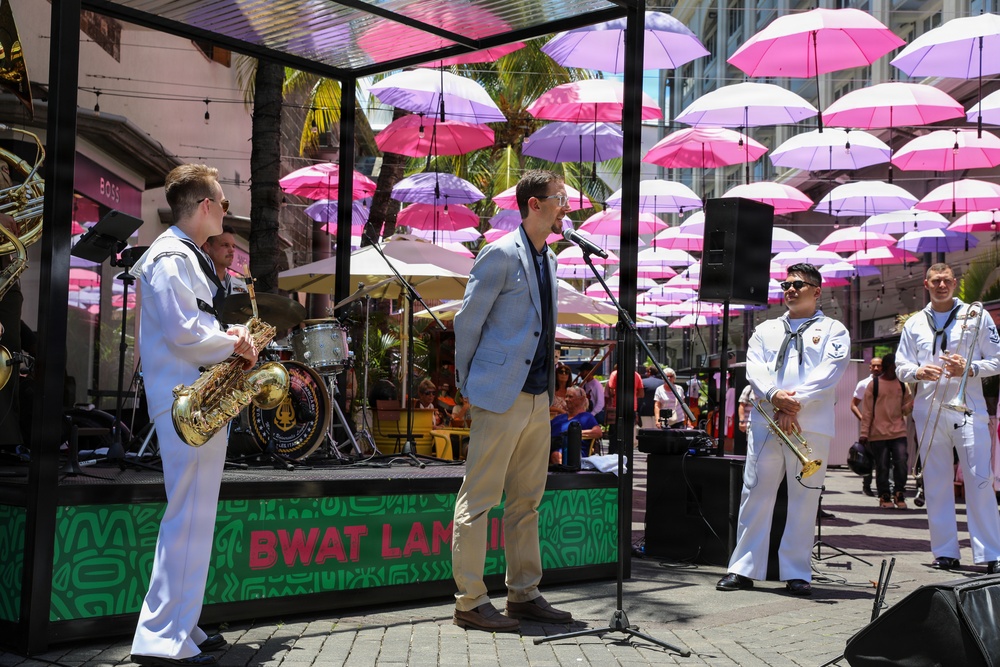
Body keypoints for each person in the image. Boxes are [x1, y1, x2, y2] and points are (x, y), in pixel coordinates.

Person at [130, 164, 258, 666]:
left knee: (193, 518)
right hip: (186, 402)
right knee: (188, 518)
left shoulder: (181, 254)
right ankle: (164, 636)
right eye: (223, 203)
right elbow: (185, 332)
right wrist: (236, 342)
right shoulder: (171, 256)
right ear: (206, 206)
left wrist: (229, 338)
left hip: (193, 400)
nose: (226, 211)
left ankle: (180, 624)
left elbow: (190, 328)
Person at [452, 169, 571, 633]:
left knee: (526, 502)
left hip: (537, 396)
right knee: (480, 499)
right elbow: (468, 322)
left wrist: (551, 391)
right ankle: (470, 600)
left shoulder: (551, 259)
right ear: (534, 204)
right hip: (498, 392)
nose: (565, 206)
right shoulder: (500, 253)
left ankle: (524, 594)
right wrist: (468, 383)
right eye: (559, 198)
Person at [717, 264, 850, 597]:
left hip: (811, 425)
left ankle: (797, 571)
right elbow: (755, 368)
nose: (790, 289)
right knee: (755, 494)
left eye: (798, 284)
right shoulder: (766, 329)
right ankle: (742, 568)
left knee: (804, 499)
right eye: (786, 284)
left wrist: (794, 403)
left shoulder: (834, 330)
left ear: (816, 291)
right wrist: (775, 396)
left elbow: (829, 372)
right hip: (767, 421)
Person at [896, 262, 1000, 573]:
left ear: (954, 283)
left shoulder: (976, 315)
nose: (941, 286)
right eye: (935, 281)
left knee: (980, 480)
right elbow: (901, 365)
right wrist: (917, 372)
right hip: (928, 410)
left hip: (968, 407)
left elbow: (997, 359)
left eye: (946, 281)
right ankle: (945, 552)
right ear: (926, 285)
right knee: (935, 483)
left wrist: (970, 368)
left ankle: (991, 553)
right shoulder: (915, 323)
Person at [859, 352, 913, 510]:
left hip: (899, 432)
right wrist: (864, 433)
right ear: (889, 366)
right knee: (882, 466)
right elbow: (867, 412)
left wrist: (912, 405)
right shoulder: (874, 385)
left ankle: (899, 493)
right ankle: (884, 495)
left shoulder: (903, 385)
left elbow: (904, 410)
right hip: (878, 433)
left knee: (901, 463)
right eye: (895, 366)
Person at [851, 358, 882, 497]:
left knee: (886, 458)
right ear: (869, 367)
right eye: (874, 366)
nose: (876, 368)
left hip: (886, 427)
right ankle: (866, 487)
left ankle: (885, 489)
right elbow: (853, 405)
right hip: (869, 428)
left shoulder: (890, 383)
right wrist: (863, 419)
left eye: (879, 366)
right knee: (868, 457)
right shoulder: (863, 384)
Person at [550, 386, 603, 463]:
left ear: (581, 399)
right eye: (566, 396)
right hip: (551, 446)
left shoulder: (586, 417)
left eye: (570, 397)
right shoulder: (559, 418)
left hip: (572, 450)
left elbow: (598, 432)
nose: (566, 399)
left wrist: (574, 433)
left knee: (556, 455)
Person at [200, 224, 247, 297]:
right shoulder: (196, 279)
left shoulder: (241, 288)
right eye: (225, 245)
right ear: (207, 247)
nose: (232, 250)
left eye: (233, 246)